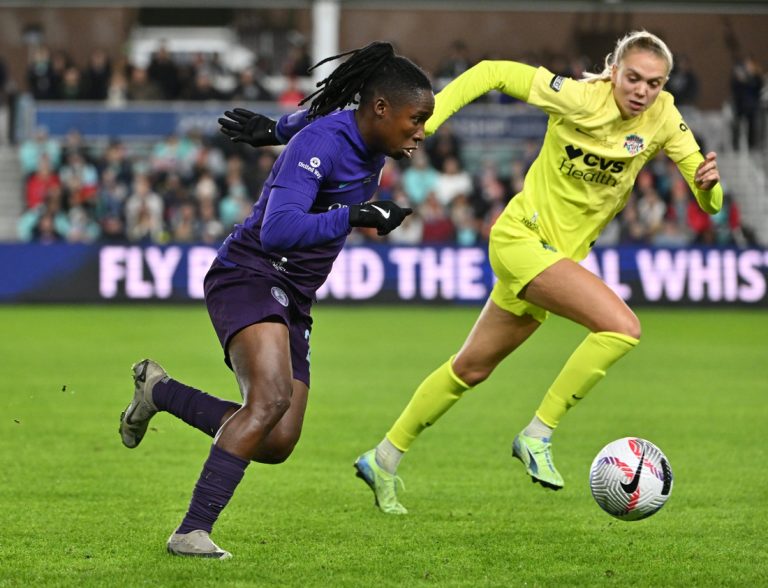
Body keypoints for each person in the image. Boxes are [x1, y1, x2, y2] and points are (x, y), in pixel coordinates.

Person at [350, 30, 722, 514]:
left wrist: (709, 187)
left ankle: (382, 459)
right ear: (614, 71)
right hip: (521, 240)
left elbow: (708, 201)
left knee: (470, 369)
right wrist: (429, 120)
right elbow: (492, 72)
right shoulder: (577, 98)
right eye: (633, 78)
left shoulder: (664, 117)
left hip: (555, 258)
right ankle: (538, 434)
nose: (642, 91)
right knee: (622, 327)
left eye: (654, 83)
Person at [118, 41, 433, 558]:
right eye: (415, 120)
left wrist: (275, 129)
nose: (421, 133)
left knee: (277, 439)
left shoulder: (366, 135)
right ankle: (190, 532)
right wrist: (356, 215)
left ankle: (159, 391)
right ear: (380, 108)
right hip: (250, 271)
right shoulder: (323, 146)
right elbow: (278, 230)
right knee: (268, 402)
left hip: (296, 295)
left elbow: (319, 110)